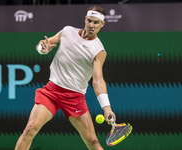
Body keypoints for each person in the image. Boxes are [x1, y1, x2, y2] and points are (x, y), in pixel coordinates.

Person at [14, 5, 116, 150]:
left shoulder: (98, 51)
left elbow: (98, 80)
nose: (92, 25)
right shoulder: (67, 31)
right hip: (51, 92)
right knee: (30, 129)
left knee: (92, 141)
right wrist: (42, 49)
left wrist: (107, 108)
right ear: (85, 19)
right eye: (90, 21)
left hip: (74, 97)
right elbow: (44, 44)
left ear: (102, 24)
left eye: (96, 22)